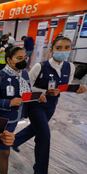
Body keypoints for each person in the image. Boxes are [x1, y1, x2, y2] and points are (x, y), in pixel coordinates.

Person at [13, 36, 86, 174]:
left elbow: (65, 86)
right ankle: (40, 170)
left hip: (52, 105)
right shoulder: (40, 66)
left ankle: (14, 141)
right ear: (52, 49)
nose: (63, 51)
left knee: (36, 128)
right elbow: (25, 86)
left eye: (66, 48)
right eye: (59, 48)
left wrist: (77, 89)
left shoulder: (70, 67)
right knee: (44, 136)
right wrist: (44, 91)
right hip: (35, 104)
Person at [0, 46, 35, 174]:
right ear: (9, 60)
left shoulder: (24, 73)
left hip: (14, 119)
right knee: (5, 151)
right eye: (19, 58)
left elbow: (26, 93)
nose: (23, 61)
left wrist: (37, 98)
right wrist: (8, 102)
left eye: (25, 58)